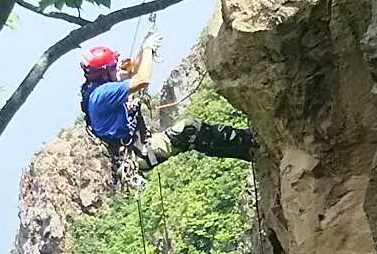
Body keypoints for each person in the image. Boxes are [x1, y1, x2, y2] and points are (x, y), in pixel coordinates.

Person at [79, 22, 254, 171]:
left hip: (136, 147)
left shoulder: (96, 86)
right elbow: (142, 79)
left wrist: (143, 49)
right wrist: (148, 48)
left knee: (189, 131)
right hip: (139, 154)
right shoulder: (103, 94)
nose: (117, 69)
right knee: (189, 130)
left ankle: (246, 144)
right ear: (103, 73)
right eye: (113, 67)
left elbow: (131, 71)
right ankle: (248, 145)